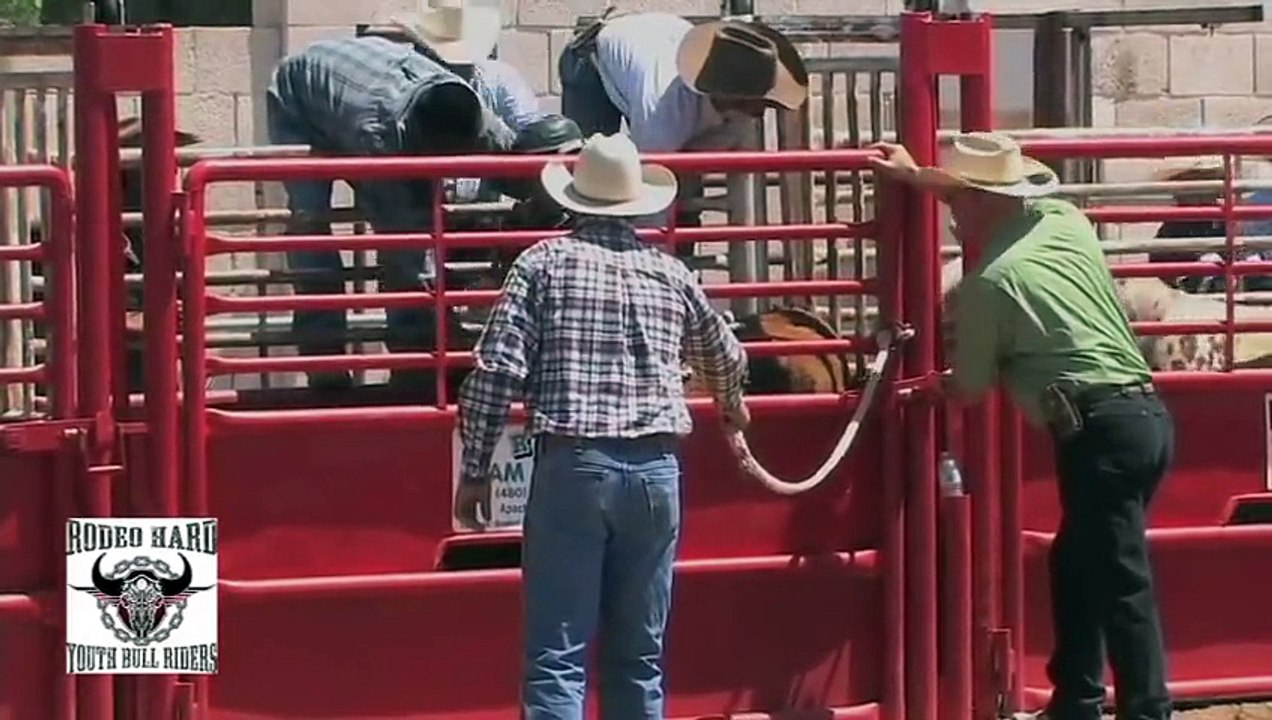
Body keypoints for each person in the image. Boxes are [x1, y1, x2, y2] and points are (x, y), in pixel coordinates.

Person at [871, 133, 1174, 720]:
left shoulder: (990, 283)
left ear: (982, 202)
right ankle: (1079, 697)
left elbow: (970, 386)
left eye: (958, 201)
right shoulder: (1064, 222)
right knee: (1080, 563)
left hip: (1096, 430)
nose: (953, 214)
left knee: (1118, 578)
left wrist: (928, 389)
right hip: (1142, 418)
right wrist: (920, 179)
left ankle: (1147, 709)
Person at [454, 132, 750, 719]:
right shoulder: (669, 272)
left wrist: (476, 467)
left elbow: (496, 371)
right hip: (654, 468)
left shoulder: (541, 265)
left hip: (576, 463)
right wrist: (731, 402)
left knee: (556, 655)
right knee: (638, 654)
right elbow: (726, 355)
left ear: (573, 201)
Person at [265, 32, 516, 392]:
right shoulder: (379, 134)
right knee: (312, 225)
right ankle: (329, 359)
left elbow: (510, 152)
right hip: (299, 100)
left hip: (356, 83)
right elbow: (404, 241)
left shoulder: (465, 106)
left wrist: (540, 191)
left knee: (415, 235)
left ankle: (418, 348)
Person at [558, 11, 809, 257]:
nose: (762, 111)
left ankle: (680, 271)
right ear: (736, 94)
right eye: (760, 101)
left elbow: (689, 167)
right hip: (593, 63)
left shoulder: (735, 114)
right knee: (593, 178)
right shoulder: (664, 106)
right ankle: (592, 263)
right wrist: (653, 260)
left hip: (648, 50)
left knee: (685, 193)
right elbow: (651, 182)